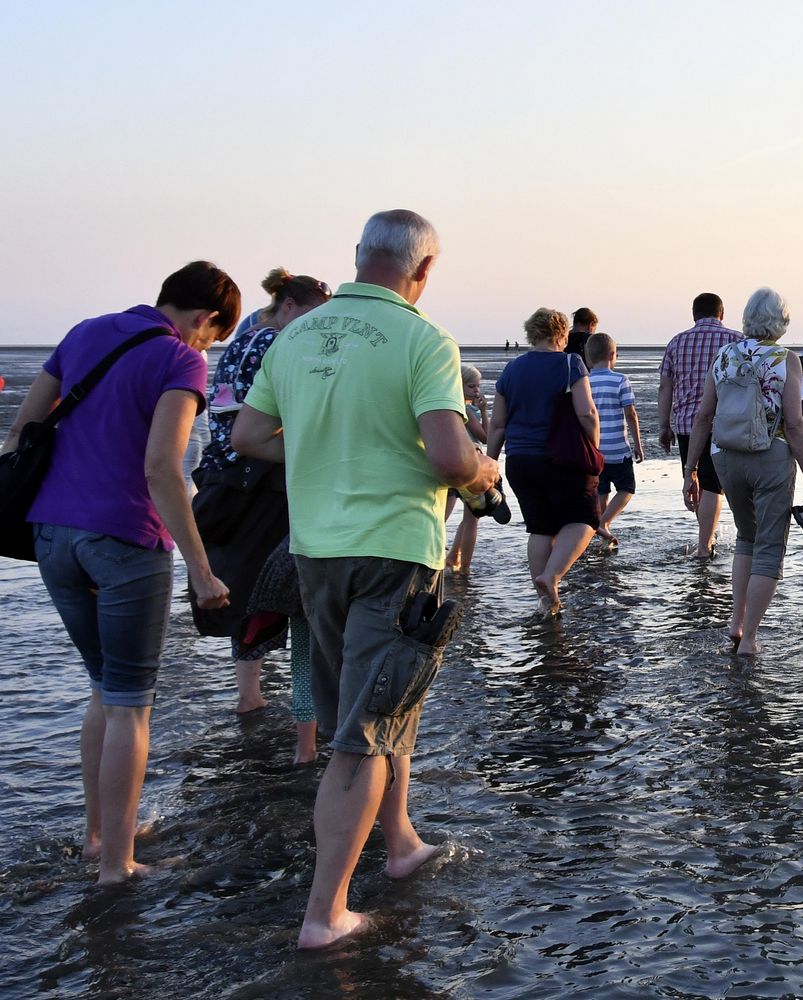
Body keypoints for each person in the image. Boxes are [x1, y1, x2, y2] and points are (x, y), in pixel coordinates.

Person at [234, 209, 499, 947]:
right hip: (394, 551)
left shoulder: (295, 336)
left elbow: (248, 435)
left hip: (315, 550)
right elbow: (450, 456)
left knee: (376, 709)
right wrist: (482, 472)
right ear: (424, 270)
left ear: (358, 256)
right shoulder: (424, 339)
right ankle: (327, 916)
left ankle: (401, 843)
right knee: (362, 735)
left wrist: (326, 448)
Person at [3, 261, 239, 884]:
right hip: (126, 538)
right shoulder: (180, 360)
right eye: (211, 338)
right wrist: (202, 570)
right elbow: (162, 468)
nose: (205, 348)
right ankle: (118, 864)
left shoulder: (84, 332)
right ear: (205, 318)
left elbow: (21, 430)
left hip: (51, 535)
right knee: (132, 702)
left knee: (103, 688)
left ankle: (98, 836)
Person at [193, 268, 330, 754]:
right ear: (289, 306)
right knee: (299, 597)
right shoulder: (278, 343)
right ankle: (307, 730)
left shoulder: (242, 341)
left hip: (223, 480)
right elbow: (290, 412)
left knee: (248, 590)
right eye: (311, 317)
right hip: (267, 481)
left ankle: (249, 696)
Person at [680, 288, 803, 655]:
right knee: (769, 547)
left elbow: (703, 417)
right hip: (770, 456)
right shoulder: (785, 359)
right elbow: (794, 424)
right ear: (782, 321)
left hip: (725, 456)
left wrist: (691, 469)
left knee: (746, 536)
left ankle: (736, 623)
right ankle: (750, 639)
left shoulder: (724, 356)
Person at [489, 308, 598, 614]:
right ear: (562, 334)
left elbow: (497, 425)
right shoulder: (571, 363)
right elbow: (587, 413)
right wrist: (594, 449)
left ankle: (547, 604)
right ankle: (551, 576)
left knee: (540, 527)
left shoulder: (512, 368)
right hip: (561, 458)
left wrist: (490, 464)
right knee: (585, 520)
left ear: (531, 334)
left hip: (520, 462)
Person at [659, 294, 742, 560]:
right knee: (713, 484)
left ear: (694, 314)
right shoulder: (736, 340)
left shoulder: (677, 342)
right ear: (722, 313)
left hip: (686, 424)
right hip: (725, 423)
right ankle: (706, 545)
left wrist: (664, 426)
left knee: (697, 480)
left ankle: (706, 537)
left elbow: (665, 386)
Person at [586, 333, 643, 548]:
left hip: (594, 450)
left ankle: (603, 535)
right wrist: (638, 444)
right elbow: (631, 414)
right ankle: (603, 523)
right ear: (612, 355)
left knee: (602, 491)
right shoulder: (620, 380)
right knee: (627, 488)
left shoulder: (584, 382)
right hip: (617, 449)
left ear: (588, 357)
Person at [446, 365, 490, 573]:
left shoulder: (449, 408)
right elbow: (486, 437)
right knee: (472, 518)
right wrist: (484, 411)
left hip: (450, 463)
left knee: (444, 517)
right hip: (470, 465)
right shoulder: (466, 410)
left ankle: (452, 556)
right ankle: (465, 569)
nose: (476, 390)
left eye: (478, 386)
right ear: (459, 385)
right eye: (471, 386)